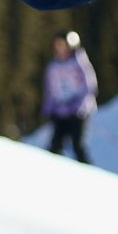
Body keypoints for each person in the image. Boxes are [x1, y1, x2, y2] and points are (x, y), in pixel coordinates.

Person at [41, 30, 98, 162]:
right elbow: (49, 89)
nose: (60, 49)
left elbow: (89, 87)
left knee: (77, 145)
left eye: (62, 45)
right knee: (55, 146)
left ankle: (88, 172)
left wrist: (80, 107)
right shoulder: (53, 66)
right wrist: (49, 109)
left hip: (78, 113)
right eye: (57, 45)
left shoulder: (80, 65)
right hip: (59, 112)